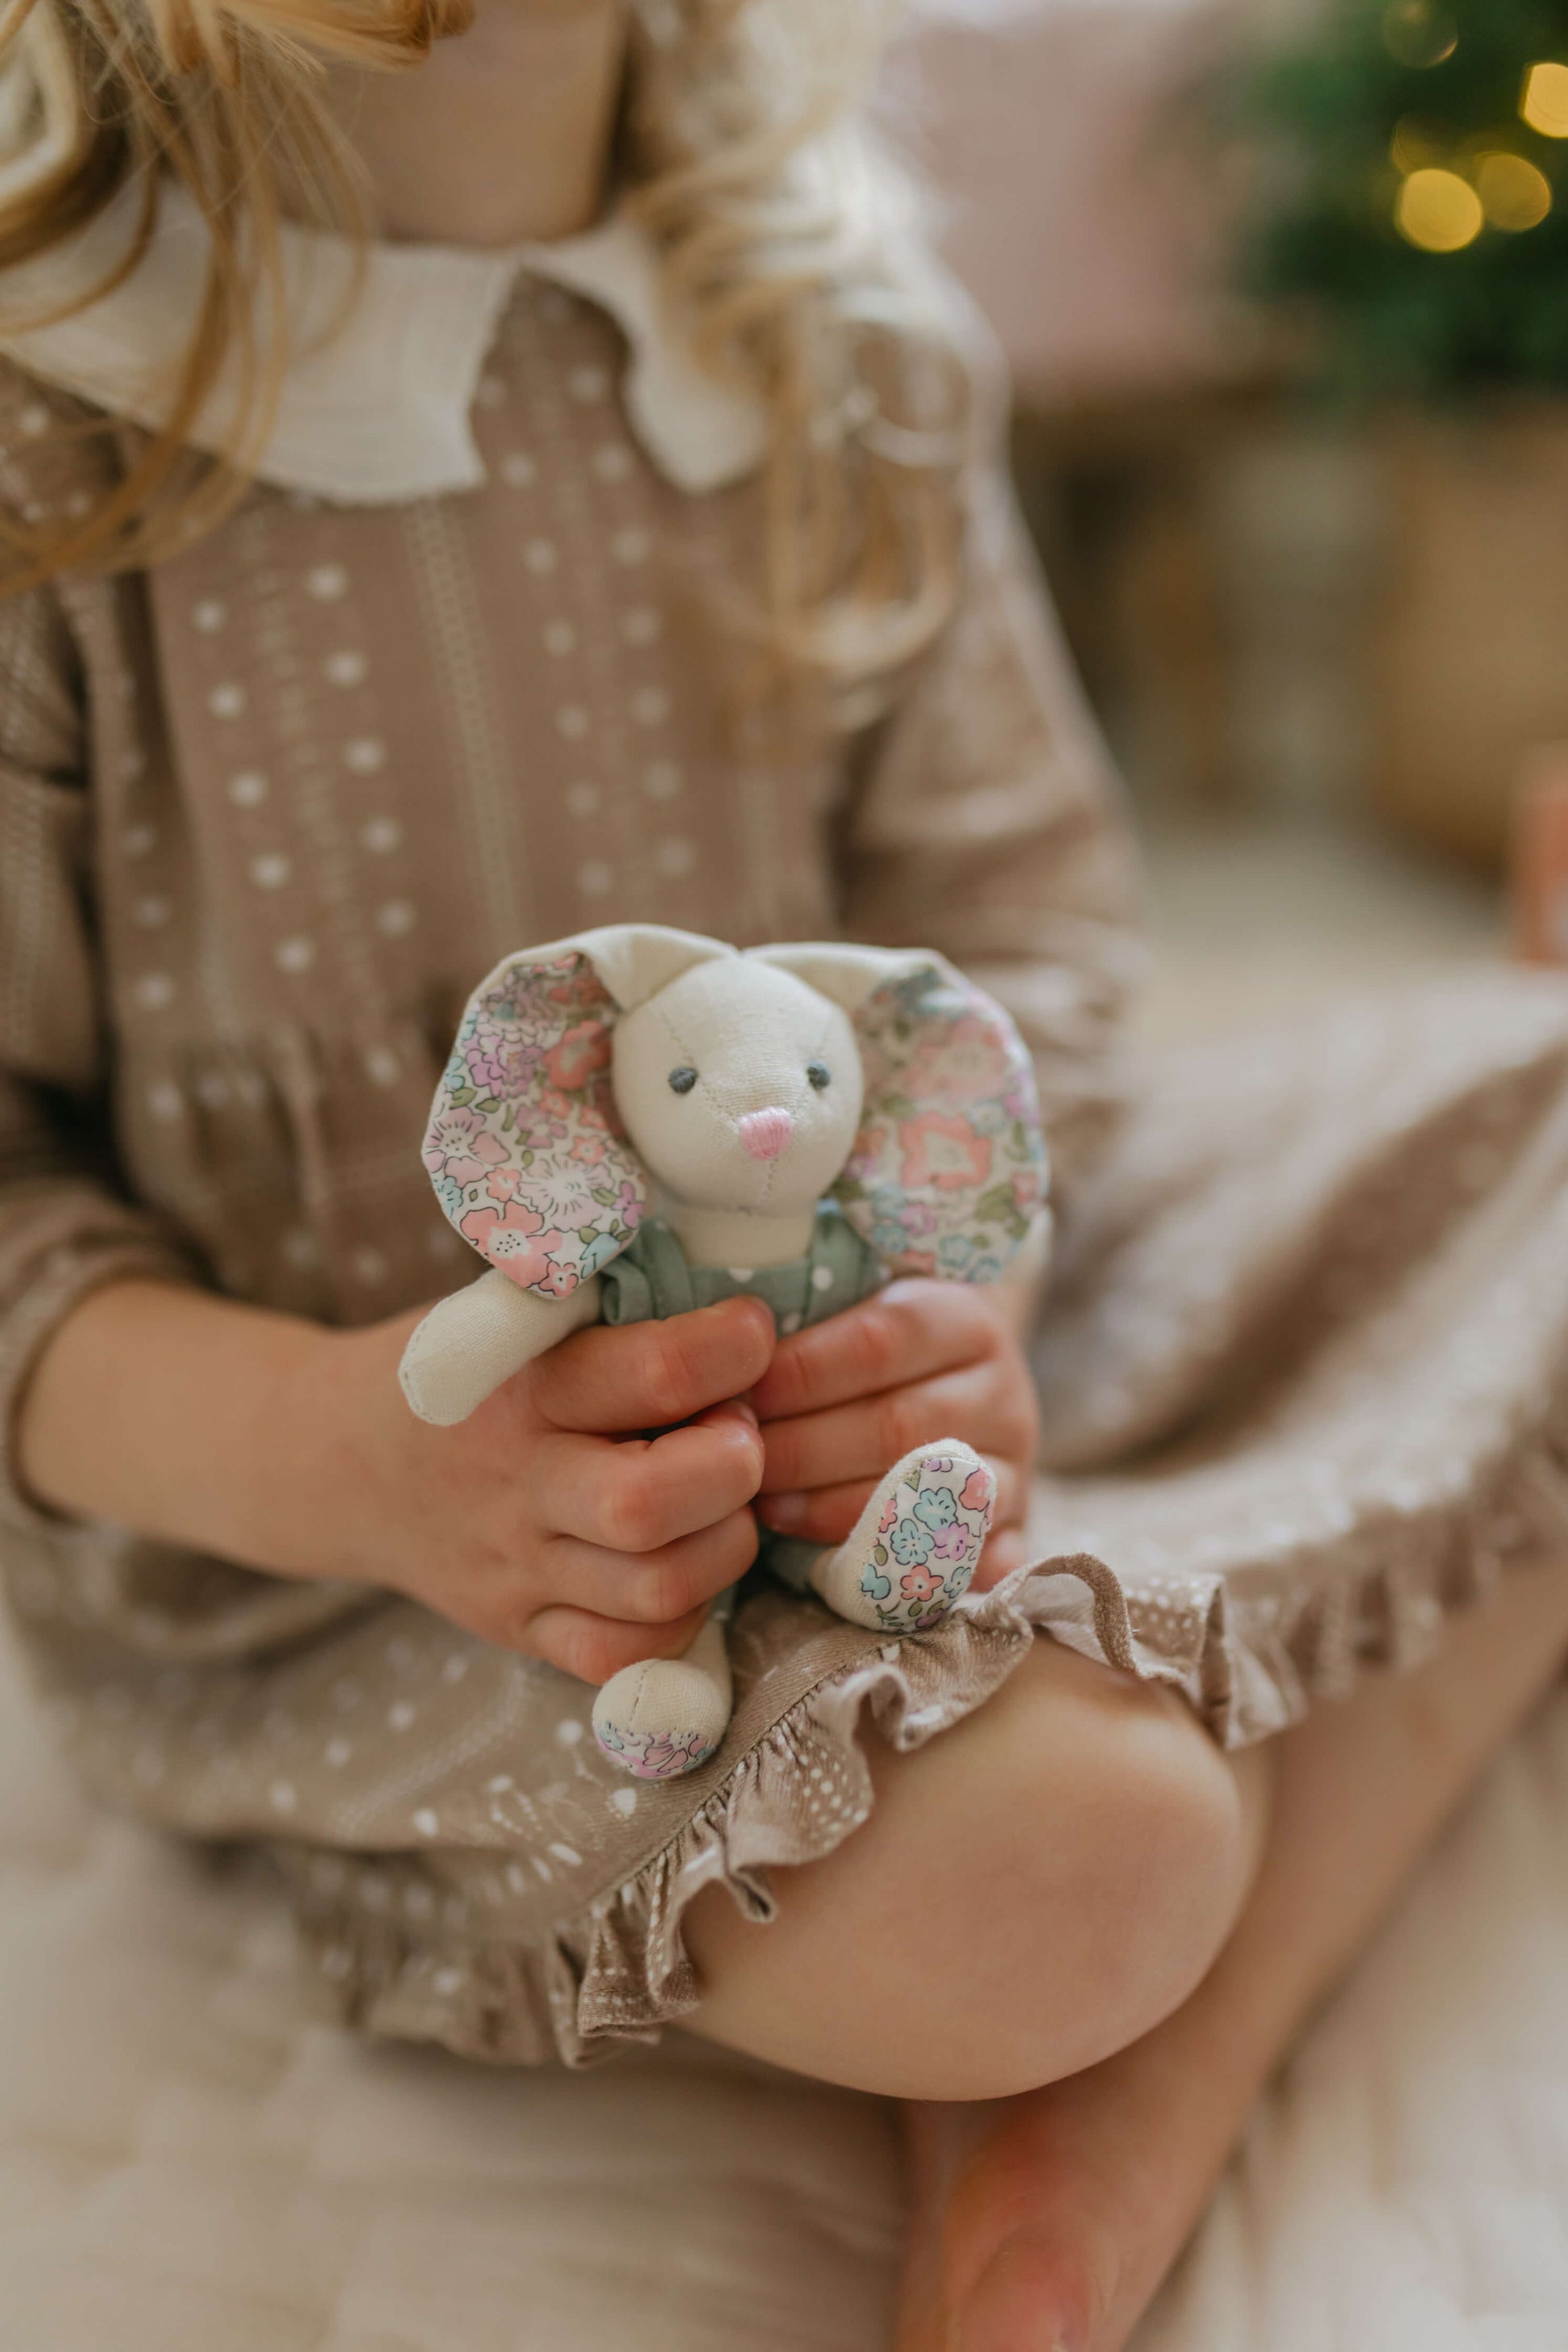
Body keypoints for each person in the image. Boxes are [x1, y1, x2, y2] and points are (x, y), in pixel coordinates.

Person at [4, 6, 1568, 2346]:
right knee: (1088, 1861)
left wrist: (968, 1337)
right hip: (411, 1579)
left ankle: (1109, 2125)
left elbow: (1025, 940)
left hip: (912, 1370)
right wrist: (364, 1463)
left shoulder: (840, 338)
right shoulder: (58, 429)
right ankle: (1106, 2010)